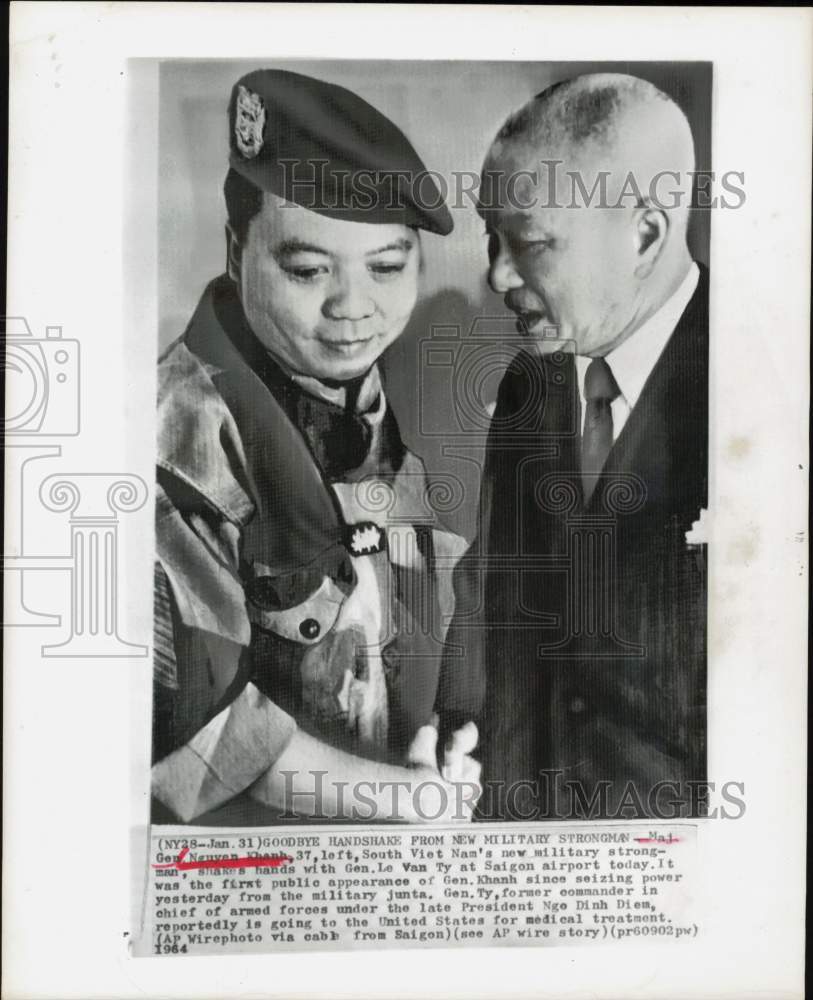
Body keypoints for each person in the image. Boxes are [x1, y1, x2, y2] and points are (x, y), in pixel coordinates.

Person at [151, 69, 480, 825]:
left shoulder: (366, 397)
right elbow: (192, 737)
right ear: (236, 252)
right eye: (307, 270)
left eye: (387, 267)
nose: (353, 308)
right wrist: (404, 798)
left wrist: (443, 748)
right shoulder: (177, 441)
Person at [438, 73, 708, 820]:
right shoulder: (529, 383)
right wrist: (455, 722)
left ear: (644, 235)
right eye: (491, 239)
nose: (497, 275)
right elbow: (489, 580)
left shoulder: (761, 384)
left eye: (528, 243)